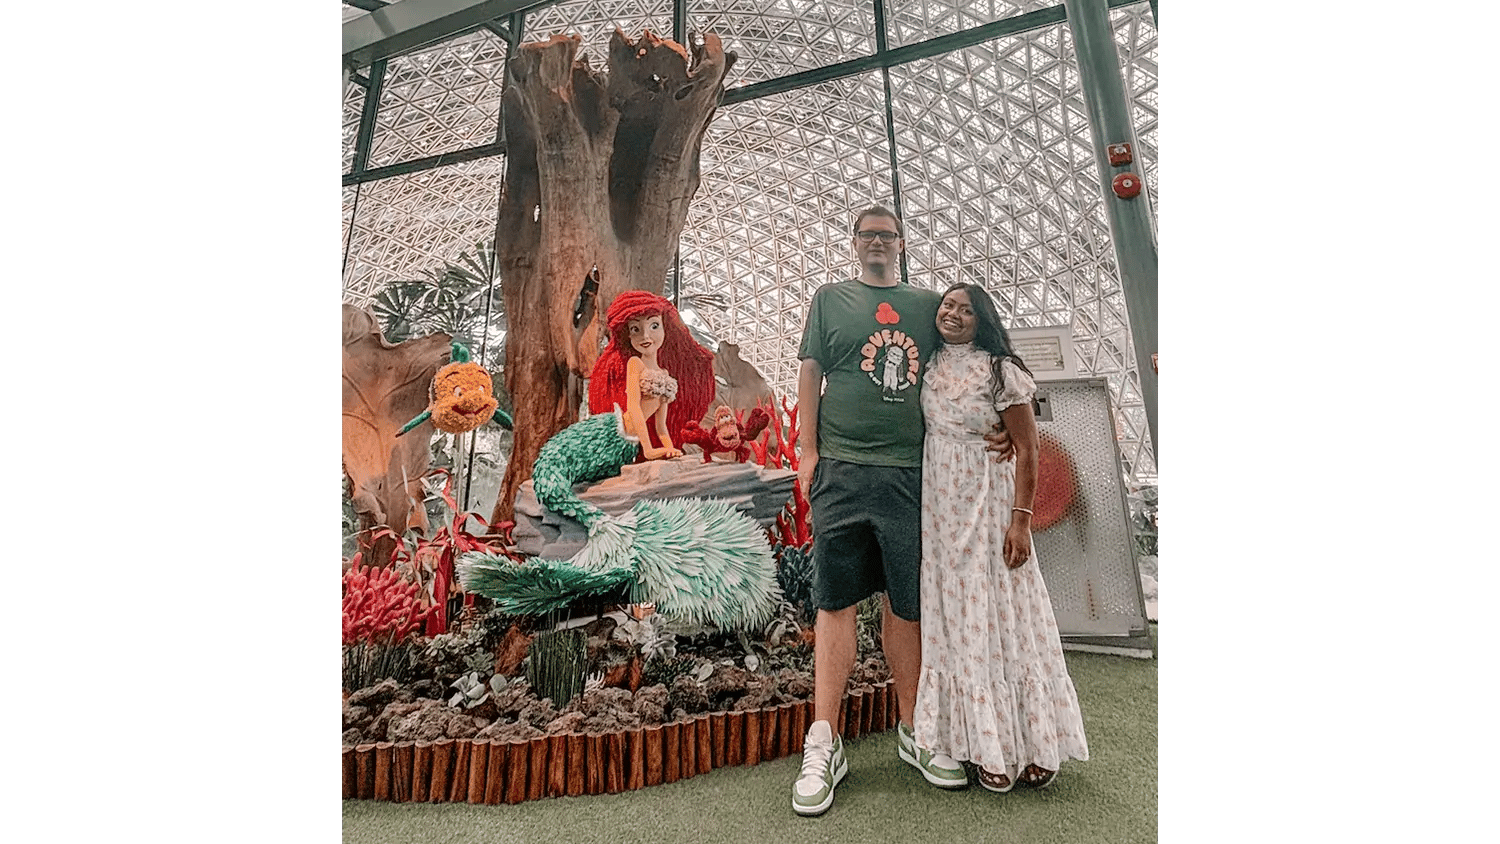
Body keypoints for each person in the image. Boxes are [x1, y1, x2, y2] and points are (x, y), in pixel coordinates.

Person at [791, 206, 971, 817]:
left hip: (908, 473)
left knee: (906, 603)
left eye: (886, 236)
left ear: (901, 243)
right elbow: (810, 375)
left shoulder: (926, 304)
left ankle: (913, 727)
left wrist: (1003, 426)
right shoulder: (829, 300)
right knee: (834, 601)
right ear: (854, 242)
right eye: (867, 235)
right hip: (841, 469)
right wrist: (807, 450)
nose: (877, 243)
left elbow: (969, 360)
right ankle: (824, 738)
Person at [911, 282, 1090, 793]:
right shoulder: (930, 363)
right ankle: (978, 743)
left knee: (1005, 614)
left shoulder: (1000, 370)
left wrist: (1020, 520)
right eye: (948, 305)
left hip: (988, 508)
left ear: (982, 318)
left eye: (966, 310)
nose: (953, 314)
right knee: (958, 620)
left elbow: (1028, 451)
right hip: (942, 512)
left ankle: (1035, 743)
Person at [588, 289, 715, 460]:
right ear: (629, 335)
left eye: (654, 326)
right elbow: (633, 408)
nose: (645, 336)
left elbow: (661, 425)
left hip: (630, 440)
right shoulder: (635, 363)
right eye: (635, 329)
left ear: (664, 328)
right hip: (618, 432)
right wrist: (648, 450)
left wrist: (670, 449)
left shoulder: (664, 374)